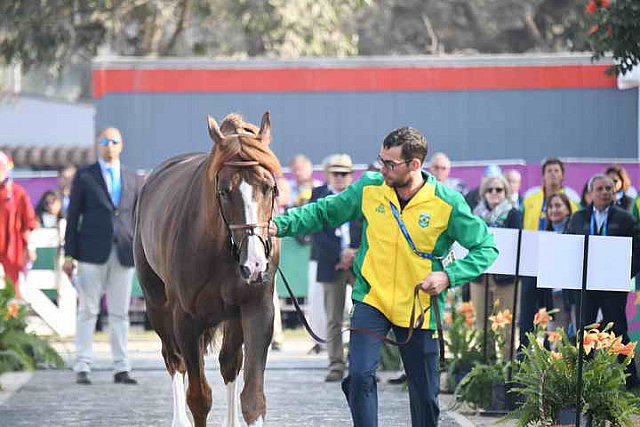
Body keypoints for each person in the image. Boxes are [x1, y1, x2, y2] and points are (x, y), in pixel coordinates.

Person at [270, 127, 498, 427]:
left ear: (415, 165)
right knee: (360, 376)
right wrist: (276, 225)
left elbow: (486, 247)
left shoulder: (447, 202)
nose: (382, 169)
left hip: (419, 308)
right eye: (381, 160)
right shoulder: (369, 188)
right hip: (371, 299)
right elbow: (324, 212)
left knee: (425, 395)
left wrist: (448, 275)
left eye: (390, 164)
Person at [63, 127, 141, 386]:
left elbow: (138, 218)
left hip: (123, 253)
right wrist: (69, 254)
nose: (109, 145)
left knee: (120, 314)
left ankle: (121, 367)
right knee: (88, 310)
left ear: (122, 145)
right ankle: (83, 365)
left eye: (114, 141)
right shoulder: (85, 176)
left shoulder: (133, 178)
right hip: (90, 253)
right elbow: (73, 217)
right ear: (99, 144)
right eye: (105, 141)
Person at [564, 173, 640, 388]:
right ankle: (582, 380)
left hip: (613, 283)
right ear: (591, 193)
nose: (606, 192)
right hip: (586, 283)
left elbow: (637, 249)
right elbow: (570, 248)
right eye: (601, 189)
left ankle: (630, 380)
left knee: (617, 329)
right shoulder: (578, 217)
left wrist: (625, 273)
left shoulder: (625, 218)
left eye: (609, 189)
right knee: (585, 330)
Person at [309, 154, 361, 382]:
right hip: (331, 263)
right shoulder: (318, 195)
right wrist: (339, 254)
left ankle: (361, 363)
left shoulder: (360, 194)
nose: (341, 177)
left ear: (351, 175)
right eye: (336, 173)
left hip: (359, 261)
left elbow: (369, 226)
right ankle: (336, 364)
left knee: (363, 315)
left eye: (345, 173)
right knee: (334, 317)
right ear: (329, 174)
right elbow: (315, 230)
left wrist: (354, 252)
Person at [520, 158, 579, 347]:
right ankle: (525, 352)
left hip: (557, 268)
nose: (553, 174)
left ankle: (553, 353)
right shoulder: (531, 200)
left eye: (556, 171)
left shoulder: (571, 202)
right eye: (549, 171)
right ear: (543, 175)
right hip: (532, 261)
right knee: (529, 311)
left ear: (562, 175)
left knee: (554, 313)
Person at [470, 174, 521, 357]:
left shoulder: (514, 214)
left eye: (498, 189)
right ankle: (486, 369)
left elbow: (516, 245)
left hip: (505, 278)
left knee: (505, 325)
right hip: (479, 276)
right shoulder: (474, 215)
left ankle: (507, 370)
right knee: (482, 326)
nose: (494, 193)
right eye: (490, 189)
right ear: (484, 193)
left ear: (505, 192)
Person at [0, 151, 38, 298]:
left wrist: (30, 246)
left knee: (13, 291)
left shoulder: (17, 193)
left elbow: (29, 222)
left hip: (11, 250)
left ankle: (12, 320)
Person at [544, 192, 575, 334]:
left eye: (558, 205)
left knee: (579, 337)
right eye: (550, 207)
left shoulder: (576, 230)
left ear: (568, 209)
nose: (553, 210)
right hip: (555, 294)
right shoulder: (545, 234)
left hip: (574, 294)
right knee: (556, 339)